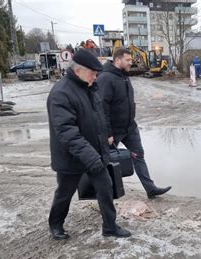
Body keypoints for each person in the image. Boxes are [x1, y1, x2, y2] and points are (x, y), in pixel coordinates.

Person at [47, 49, 131, 240]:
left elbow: (98, 117)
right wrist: (92, 156)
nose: (96, 77)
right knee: (65, 193)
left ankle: (110, 227)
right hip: (71, 157)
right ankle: (56, 225)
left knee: (106, 187)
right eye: (93, 73)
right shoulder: (61, 93)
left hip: (95, 153)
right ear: (79, 71)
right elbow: (68, 133)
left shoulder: (89, 88)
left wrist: (106, 137)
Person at [97, 48, 172, 199]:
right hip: (114, 130)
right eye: (128, 60)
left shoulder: (124, 75)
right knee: (104, 161)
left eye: (131, 60)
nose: (131, 62)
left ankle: (150, 189)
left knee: (139, 156)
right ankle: (103, 193)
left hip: (130, 127)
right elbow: (102, 108)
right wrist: (108, 133)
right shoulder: (106, 78)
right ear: (117, 60)